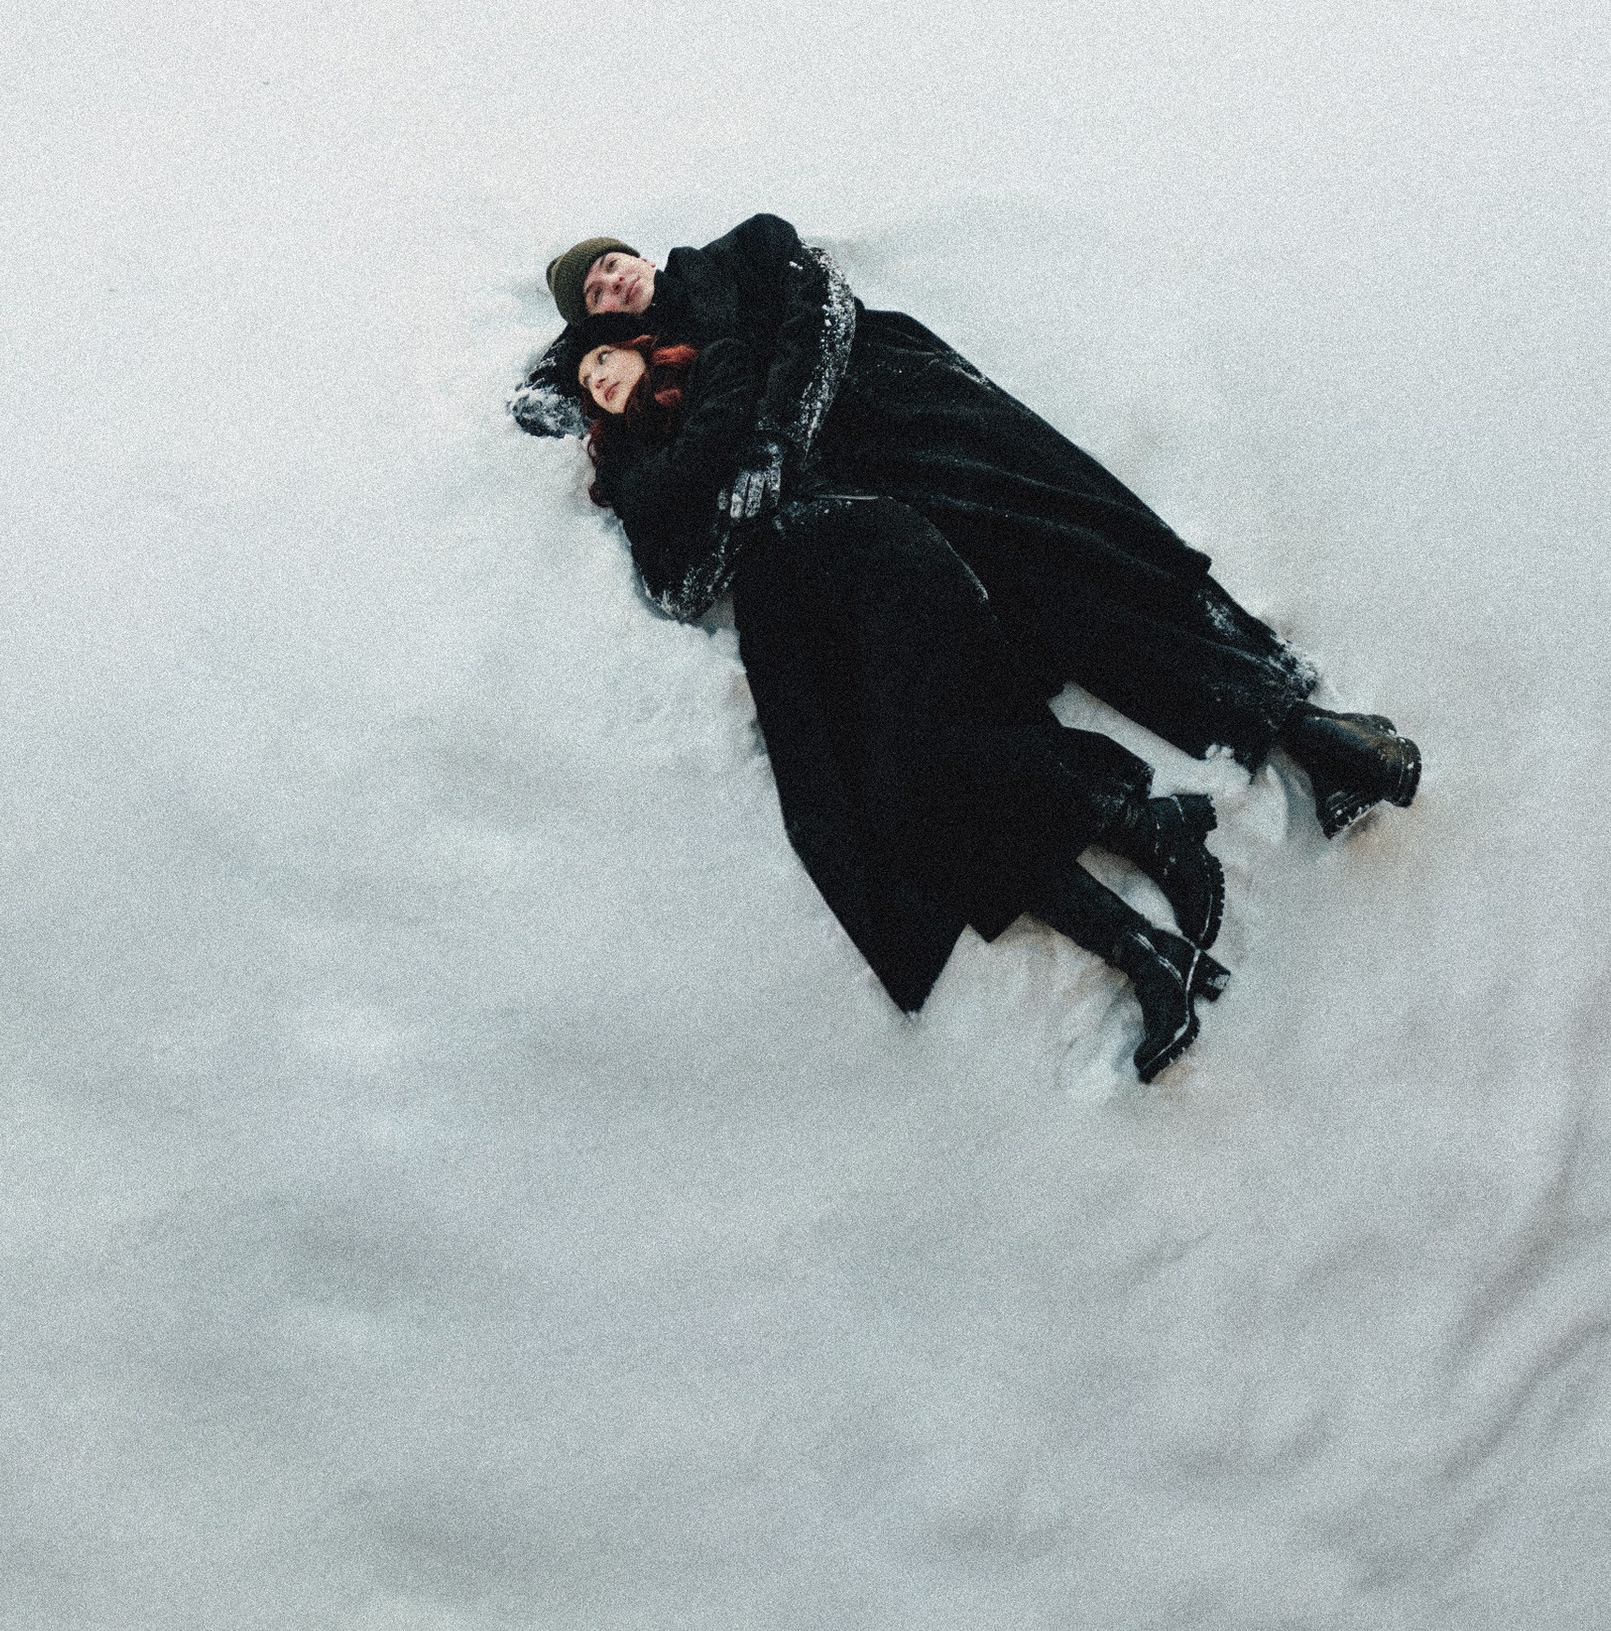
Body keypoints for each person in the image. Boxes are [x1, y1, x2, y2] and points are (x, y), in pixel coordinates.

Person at [516, 218, 1420, 841]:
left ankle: (1309, 715)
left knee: (1087, 530)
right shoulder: (656, 368)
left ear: (635, 250)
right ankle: (1305, 735)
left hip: (914, 401)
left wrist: (773, 442)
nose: (612, 280)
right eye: (594, 292)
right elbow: (540, 403)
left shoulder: (737, 251)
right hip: (878, 482)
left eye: (610, 261)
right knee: (1051, 600)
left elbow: (825, 312)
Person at [565, 327, 1231, 1078]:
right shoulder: (630, 471)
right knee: (911, 802)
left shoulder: (721, 376)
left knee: (958, 750)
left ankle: (1146, 852)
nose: (599, 377)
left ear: (642, 350)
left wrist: (716, 492)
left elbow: (771, 444)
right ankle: (1150, 943)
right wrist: (718, 494)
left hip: (869, 547)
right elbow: (674, 585)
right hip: (796, 620)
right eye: (586, 378)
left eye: (604, 358)